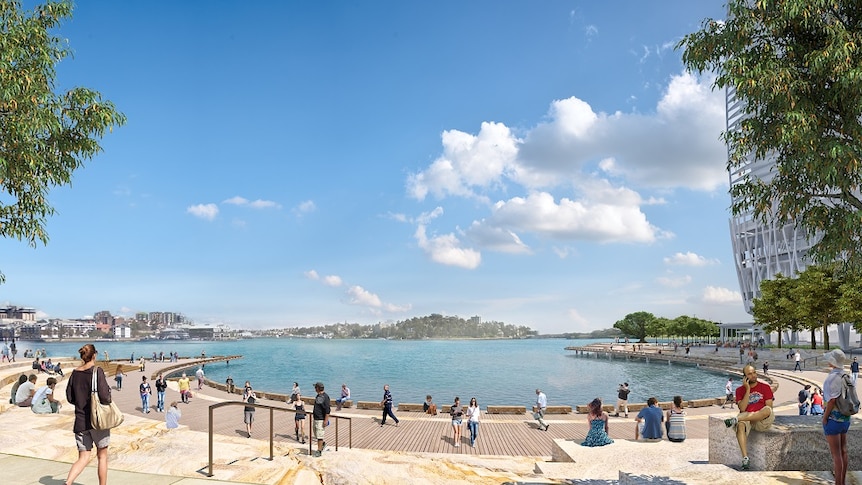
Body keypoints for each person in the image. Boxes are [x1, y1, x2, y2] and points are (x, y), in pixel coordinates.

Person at [64, 343, 112, 485]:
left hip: (80, 421)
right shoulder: (97, 371)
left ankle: (67, 482)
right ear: (94, 355)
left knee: (83, 457)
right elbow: (104, 397)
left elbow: (70, 397)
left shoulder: (75, 373)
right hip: (97, 421)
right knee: (102, 456)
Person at [723, 364, 775, 470]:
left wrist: (754, 416)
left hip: (762, 420)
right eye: (750, 374)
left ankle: (736, 419)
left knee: (767, 409)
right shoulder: (740, 390)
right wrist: (747, 389)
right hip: (746, 418)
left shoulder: (765, 387)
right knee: (741, 426)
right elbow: (742, 408)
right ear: (745, 377)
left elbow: (769, 407)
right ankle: (745, 458)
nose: (753, 375)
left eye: (754, 372)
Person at [822, 349, 851, 485]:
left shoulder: (832, 378)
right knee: (844, 451)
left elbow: (831, 401)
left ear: (832, 362)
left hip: (833, 419)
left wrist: (825, 417)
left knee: (836, 454)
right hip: (845, 419)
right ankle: (842, 481)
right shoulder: (846, 375)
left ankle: (838, 483)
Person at [312, 382, 331, 457]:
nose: (314, 389)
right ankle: (323, 444)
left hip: (321, 419)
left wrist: (326, 420)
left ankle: (319, 451)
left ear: (318, 388)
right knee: (316, 434)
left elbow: (327, 410)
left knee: (320, 435)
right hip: (316, 418)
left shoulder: (325, 397)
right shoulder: (318, 396)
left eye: (315, 387)